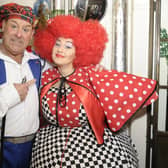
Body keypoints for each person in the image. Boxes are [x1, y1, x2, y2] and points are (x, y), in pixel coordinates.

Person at [30, 15, 158, 168]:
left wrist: (112, 118)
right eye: (57, 44)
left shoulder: (92, 75)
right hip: (48, 152)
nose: (60, 49)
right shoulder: (46, 77)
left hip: (92, 153)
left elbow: (142, 90)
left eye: (68, 46)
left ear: (80, 51)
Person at [0, 3, 50, 168]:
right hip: (3, 150)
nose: (19, 34)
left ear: (32, 35)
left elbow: (67, 67)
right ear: (3, 27)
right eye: (13, 26)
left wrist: (91, 67)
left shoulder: (37, 62)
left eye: (26, 29)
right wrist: (9, 96)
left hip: (34, 148)